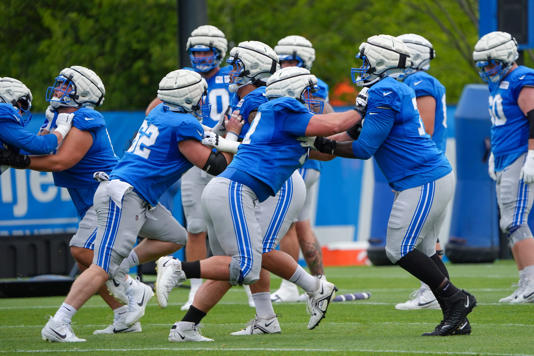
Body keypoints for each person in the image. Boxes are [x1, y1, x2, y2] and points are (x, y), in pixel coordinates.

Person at [155, 65, 365, 342]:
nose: (310, 97)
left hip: (229, 189)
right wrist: (362, 108)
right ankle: (179, 268)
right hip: (237, 190)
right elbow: (333, 125)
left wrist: (355, 132)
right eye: (307, 90)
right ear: (292, 90)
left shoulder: (278, 113)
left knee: (234, 266)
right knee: (245, 266)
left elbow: (328, 148)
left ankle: (186, 327)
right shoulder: (283, 109)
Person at [37, 69, 234, 342]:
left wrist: (223, 133)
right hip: (126, 194)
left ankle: (123, 269)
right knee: (101, 266)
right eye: (200, 96)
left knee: (176, 237)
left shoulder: (160, 114)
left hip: (134, 194)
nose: (203, 102)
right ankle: (59, 322)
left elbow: (202, 138)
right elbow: (215, 164)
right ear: (188, 98)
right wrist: (234, 136)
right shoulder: (182, 125)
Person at [313, 34, 476, 336]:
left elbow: (363, 148)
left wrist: (328, 147)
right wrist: (315, 144)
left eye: (365, 59)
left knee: (397, 249)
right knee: (425, 251)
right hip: (426, 177)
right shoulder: (389, 88)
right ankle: (456, 316)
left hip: (423, 177)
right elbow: (353, 134)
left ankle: (457, 298)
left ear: (380, 60)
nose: (361, 66)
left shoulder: (385, 90)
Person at [0, 68, 143, 335]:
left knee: (83, 252)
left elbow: (60, 160)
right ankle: (123, 314)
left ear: (83, 92)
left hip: (105, 193)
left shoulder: (85, 116)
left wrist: (17, 160)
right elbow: (39, 145)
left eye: (66, 85)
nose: (59, 89)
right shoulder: (58, 116)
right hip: (86, 194)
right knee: (84, 262)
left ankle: (134, 288)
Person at [147, 25, 232, 311]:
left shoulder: (232, 76)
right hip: (195, 157)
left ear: (219, 51)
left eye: (206, 51)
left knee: (234, 223)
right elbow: (154, 108)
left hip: (226, 153)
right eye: (195, 52)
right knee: (195, 226)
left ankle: (246, 286)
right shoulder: (183, 78)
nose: (200, 57)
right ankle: (195, 289)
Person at [474, 31, 534, 304]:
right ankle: (526, 281)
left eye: (491, 63)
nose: (487, 69)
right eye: (483, 64)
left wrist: (532, 155)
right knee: (508, 222)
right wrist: (493, 155)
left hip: (521, 154)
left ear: (508, 56)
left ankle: (532, 282)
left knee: (515, 220)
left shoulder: (522, 78)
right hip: (504, 156)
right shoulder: (498, 83)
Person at [270, 35, 331, 302]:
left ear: (305, 61)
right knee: (302, 225)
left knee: (287, 227)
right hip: (309, 162)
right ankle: (320, 282)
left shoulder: (310, 86)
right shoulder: (315, 85)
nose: (285, 65)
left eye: (291, 60)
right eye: (281, 60)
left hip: (300, 159)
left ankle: (290, 286)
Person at [394, 33, 447, 311]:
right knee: (428, 237)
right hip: (422, 167)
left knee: (413, 239)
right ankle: (436, 293)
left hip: (423, 167)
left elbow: (424, 128)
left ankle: (433, 291)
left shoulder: (419, 81)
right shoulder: (413, 82)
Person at [0, 77, 72, 167]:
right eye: (22, 104)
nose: (21, 113)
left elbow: (27, 151)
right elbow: (41, 146)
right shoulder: (3, 114)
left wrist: (47, 127)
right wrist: (63, 128)